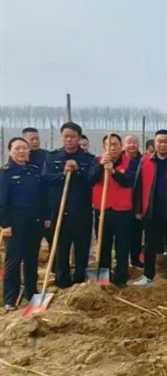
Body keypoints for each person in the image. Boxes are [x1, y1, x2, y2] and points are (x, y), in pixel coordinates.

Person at [43, 122, 97, 288]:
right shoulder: (52, 157)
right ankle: (62, 281)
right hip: (60, 211)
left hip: (81, 212)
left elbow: (92, 180)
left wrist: (78, 170)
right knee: (61, 249)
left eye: (72, 137)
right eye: (66, 136)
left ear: (79, 138)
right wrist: (63, 173)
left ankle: (79, 281)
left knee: (81, 249)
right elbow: (46, 178)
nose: (69, 139)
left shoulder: (89, 159)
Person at [1, 138, 49, 310]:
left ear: (29, 151)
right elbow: (2, 201)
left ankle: (31, 293)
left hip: (34, 223)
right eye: (17, 148)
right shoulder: (5, 173)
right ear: (10, 151)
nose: (21, 151)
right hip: (15, 224)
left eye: (24, 148)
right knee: (13, 260)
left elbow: (42, 197)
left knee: (31, 259)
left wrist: (46, 217)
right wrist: (4, 224)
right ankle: (10, 298)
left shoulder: (34, 171)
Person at [88, 133, 137, 287]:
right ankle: (104, 278)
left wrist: (114, 171)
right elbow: (90, 179)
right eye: (109, 145)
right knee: (103, 245)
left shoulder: (130, 162)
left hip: (123, 211)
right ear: (104, 147)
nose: (112, 148)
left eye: (115, 144)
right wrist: (101, 167)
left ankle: (121, 278)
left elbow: (129, 182)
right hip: (102, 210)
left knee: (122, 246)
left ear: (121, 146)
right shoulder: (96, 161)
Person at [132, 130, 167, 286]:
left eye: (166, 141)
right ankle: (148, 275)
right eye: (159, 141)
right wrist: (138, 209)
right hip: (151, 209)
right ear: (155, 143)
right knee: (150, 244)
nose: (162, 144)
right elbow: (138, 185)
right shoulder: (145, 161)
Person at [123, 135, 145, 268]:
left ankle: (136, 260)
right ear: (124, 145)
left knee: (136, 234)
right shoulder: (118, 161)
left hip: (137, 204)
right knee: (122, 236)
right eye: (129, 142)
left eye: (135, 143)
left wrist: (139, 208)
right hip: (120, 205)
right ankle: (122, 263)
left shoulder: (144, 161)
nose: (132, 145)